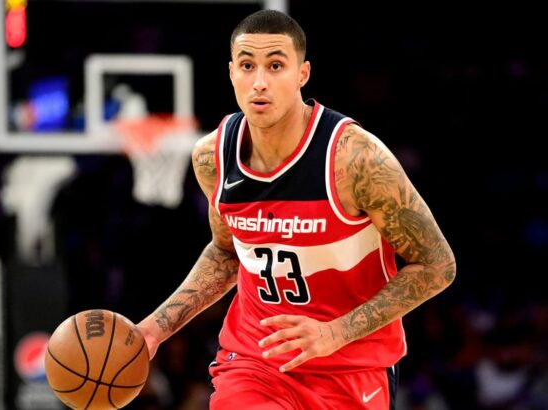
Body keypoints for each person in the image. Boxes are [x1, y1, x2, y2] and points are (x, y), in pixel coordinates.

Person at [136, 9, 456, 409]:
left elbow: (437, 265)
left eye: (275, 66)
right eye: (247, 66)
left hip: (350, 368)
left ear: (302, 74)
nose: (259, 82)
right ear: (232, 73)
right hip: (255, 362)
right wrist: (155, 329)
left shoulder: (354, 158)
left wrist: (335, 333)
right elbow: (227, 252)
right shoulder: (212, 157)